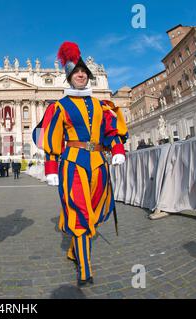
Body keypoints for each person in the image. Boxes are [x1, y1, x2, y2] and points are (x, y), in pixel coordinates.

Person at [33, 41, 128, 287]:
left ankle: (75, 250)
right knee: (79, 210)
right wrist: (51, 167)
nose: (81, 75)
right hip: (73, 163)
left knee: (95, 210)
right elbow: (51, 137)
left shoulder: (101, 105)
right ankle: (85, 267)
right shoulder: (59, 106)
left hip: (99, 163)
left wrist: (117, 148)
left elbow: (110, 129)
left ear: (89, 76)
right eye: (76, 72)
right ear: (69, 76)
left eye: (84, 72)